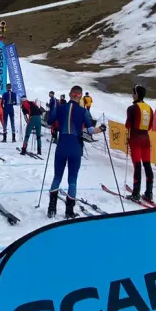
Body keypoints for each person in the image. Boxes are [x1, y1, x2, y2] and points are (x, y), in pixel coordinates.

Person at [46, 85, 102, 219]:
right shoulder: (83, 111)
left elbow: (49, 122)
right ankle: (69, 211)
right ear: (80, 96)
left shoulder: (59, 107)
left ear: (70, 94)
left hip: (62, 145)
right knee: (72, 180)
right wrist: (102, 129)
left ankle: (51, 208)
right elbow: (90, 131)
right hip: (75, 147)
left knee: (57, 177)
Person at [125, 85, 155, 203]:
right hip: (146, 139)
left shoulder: (132, 108)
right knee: (147, 164)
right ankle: (149, 193)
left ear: (136, 94)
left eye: (133, 93)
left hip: (135, 138)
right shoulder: (149, 108)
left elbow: (128, 125)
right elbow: (150, 126)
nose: (132, 95)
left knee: (137, 165)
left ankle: (136, 193)